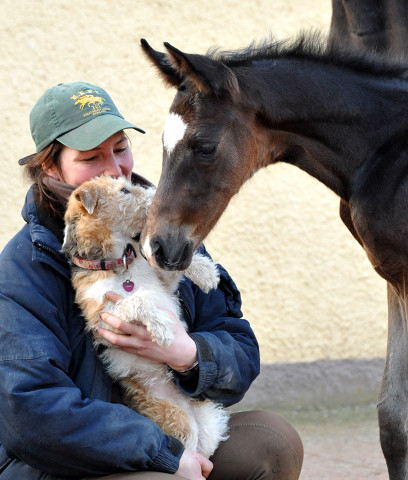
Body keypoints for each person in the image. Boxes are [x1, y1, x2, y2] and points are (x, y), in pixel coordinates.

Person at [0, 82, 303, 480]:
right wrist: (163, 454)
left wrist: (188, 354)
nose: (114, 168)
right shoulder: (22, 269)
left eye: (120, 148)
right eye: (91, 157)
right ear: (51, 167)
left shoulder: (161, 232)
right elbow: (32, 414)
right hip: (70, 463)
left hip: (175, 427)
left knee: (273, 440)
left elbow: (240, 348)